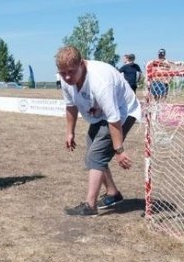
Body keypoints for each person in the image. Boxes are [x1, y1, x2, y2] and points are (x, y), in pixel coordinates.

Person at [56, 45, 140, 216]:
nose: (67, 77)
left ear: (81, 64)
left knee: (95, 156)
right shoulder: (66, 79)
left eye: (71, 72)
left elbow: (114, 118)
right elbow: (71, 106)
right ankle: (113, 193)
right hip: (100, 116)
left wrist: (119, 150)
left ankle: (90, 205)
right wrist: (70, 132)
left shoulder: (100, 81)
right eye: (62, 72)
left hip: (124, 112)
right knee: (93, 154)